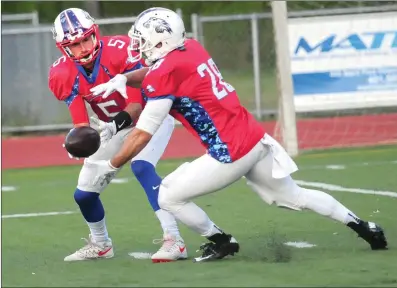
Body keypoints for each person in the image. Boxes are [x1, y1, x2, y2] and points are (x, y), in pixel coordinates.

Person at [89, 7, 388, 262]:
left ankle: (221, 240)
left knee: (168, 195)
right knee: (294, 195)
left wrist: (112, 166)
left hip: (230, 151)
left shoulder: (162, 74)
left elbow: (143, 133)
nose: (138, 45)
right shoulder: (191, 47)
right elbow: (162, 70)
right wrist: (123, 78)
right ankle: (365, 227)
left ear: (161, 40)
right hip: (254, 138)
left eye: (142, 39)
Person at [48, 8, 187, 263]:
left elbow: (135, 107)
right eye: (75, 44)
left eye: (86, 39)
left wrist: (112, 126)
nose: (83, 48)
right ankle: (101, 244)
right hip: (111, 125)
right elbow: (81, 123)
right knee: (84, 194)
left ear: (95, 34)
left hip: (152, 114)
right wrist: (78, 141)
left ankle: (174, 239)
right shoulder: (62, 74)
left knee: (142, 167)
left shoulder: (119, 50)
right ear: (63, 48)